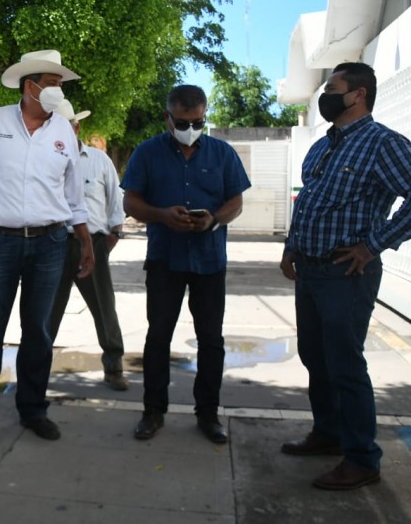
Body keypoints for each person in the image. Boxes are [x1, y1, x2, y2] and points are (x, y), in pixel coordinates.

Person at [279, 62, 411, 490]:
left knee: (345, 365)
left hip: (346, 273)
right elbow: (308, 201)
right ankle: (328, 434)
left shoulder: (382, 144)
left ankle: (362, 458)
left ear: (358, 95)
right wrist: (291, 248)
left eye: (333, 88)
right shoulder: (323, 145)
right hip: (311, 270)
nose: (326, 96)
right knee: (315, 357)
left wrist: (373, 244)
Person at [0, 49, 94, 448]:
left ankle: (33, 410)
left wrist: (85, 239)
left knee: (39, 333)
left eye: (61, 84)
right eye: (53, 83)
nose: (59, 90)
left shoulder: (64, 131)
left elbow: (73, 193)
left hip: (50, 244)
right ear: (30, 86)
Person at [121, 84, 250, 445]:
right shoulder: (147, 153)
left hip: (210, 262)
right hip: (165, 260)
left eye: (198, 121)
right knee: (158, 337)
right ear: (168, 117)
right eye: (182, 121)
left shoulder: (222, 153)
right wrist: (161, 215)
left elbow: (236, 201)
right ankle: (153, 411)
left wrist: (213, 220)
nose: (190, 127)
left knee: (211, 340)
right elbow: (131, 203)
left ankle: (207, 414)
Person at [49, 100, 128, 391]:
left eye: (64, 126)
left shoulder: (98, 160)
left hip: (93, 244)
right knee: (46, 310)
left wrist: (111, 237)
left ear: (76, 126)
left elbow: (114, 202)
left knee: (104, 308)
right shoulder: (44, 161)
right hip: (54, 244)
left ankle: (114, 366)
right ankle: (36, 367)